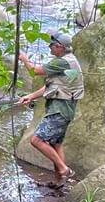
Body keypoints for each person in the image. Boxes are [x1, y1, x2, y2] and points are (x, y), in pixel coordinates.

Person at [15, 32, 84, 184]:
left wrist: (24, 59)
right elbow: (52, 85)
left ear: (59, 47)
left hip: (60, 109)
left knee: (37, 140)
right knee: (55, 144)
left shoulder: (63, 62)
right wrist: (31, 96)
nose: (49, 48)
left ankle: (64, 170)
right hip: (64, 108)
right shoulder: (67, 61)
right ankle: (60, 180)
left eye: (51, 45)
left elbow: (35, 71)